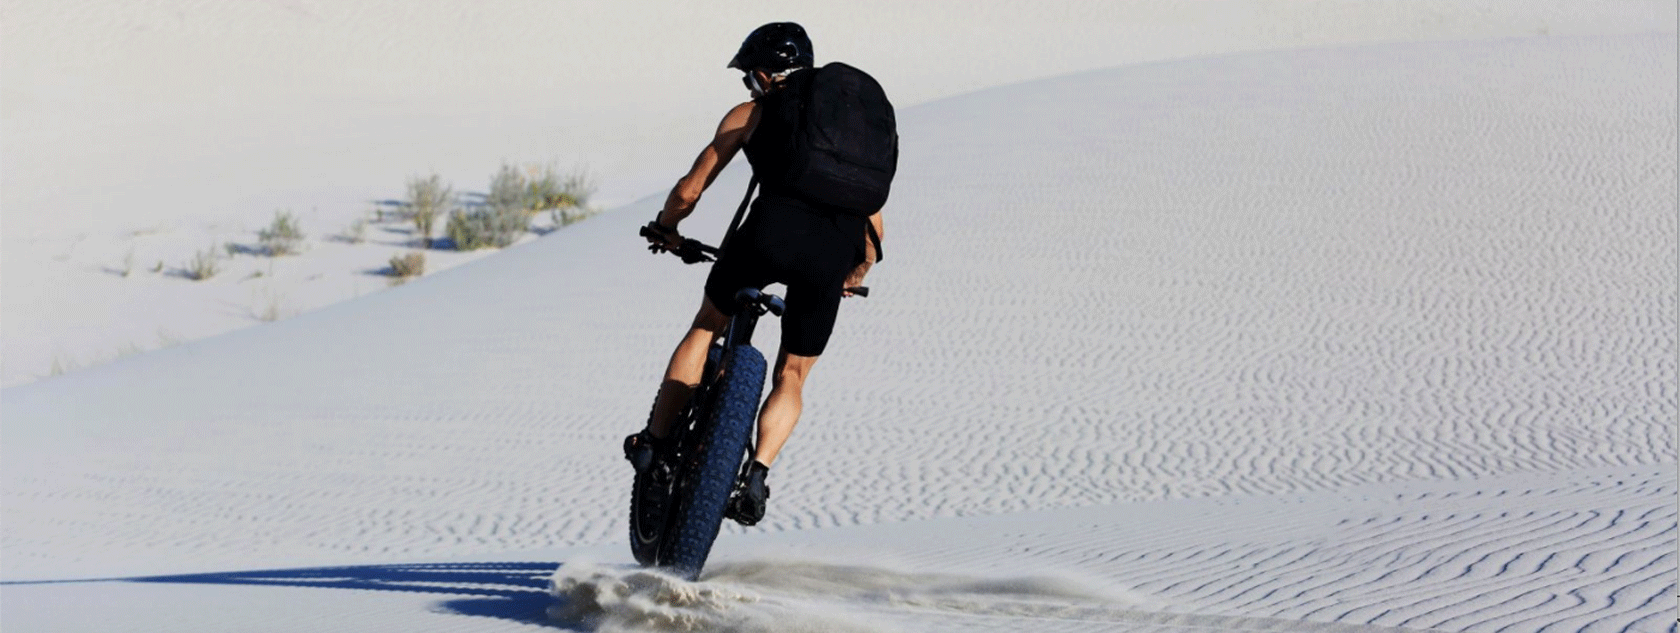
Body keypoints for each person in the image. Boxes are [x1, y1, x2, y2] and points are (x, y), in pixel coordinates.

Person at [626, 22, 885, 526]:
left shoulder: (753, 112)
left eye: (750, 78)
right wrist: (851, 273)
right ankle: (759, 473)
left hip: (769, 233)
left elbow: (689, 191)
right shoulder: (848, 132)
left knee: (707, 325)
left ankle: (654, 445)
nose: (750, 86)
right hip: (834, 253)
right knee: (793, 373)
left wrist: (666, 228)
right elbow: (874, 227)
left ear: (764, 75)